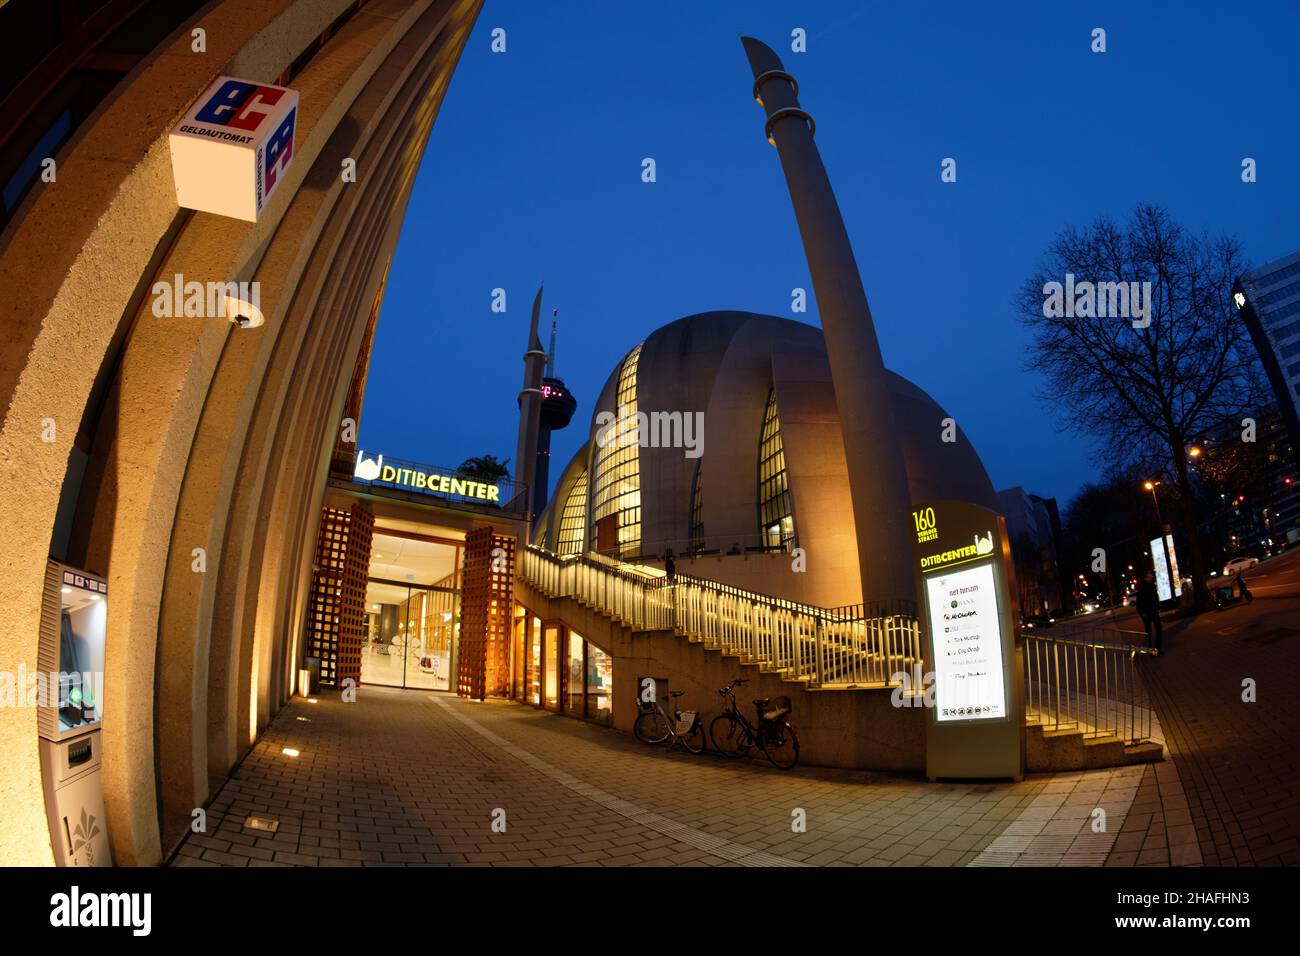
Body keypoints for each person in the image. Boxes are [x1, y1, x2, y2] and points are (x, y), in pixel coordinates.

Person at [1135, 571, 1163, 653]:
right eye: (1150, 577)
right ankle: (1150, 650)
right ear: (1146, 577)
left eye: (1151, 577)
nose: (1151, 578)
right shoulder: (1142, 587)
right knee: (1148, 632)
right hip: (1146, 613)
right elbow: (1139, 603)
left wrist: (1158, 607)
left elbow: (1155, 597)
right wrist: (1142, 613)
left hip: (1154, 611)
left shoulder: (1152, 586)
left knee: (1159, 628)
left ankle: (1158, 648)